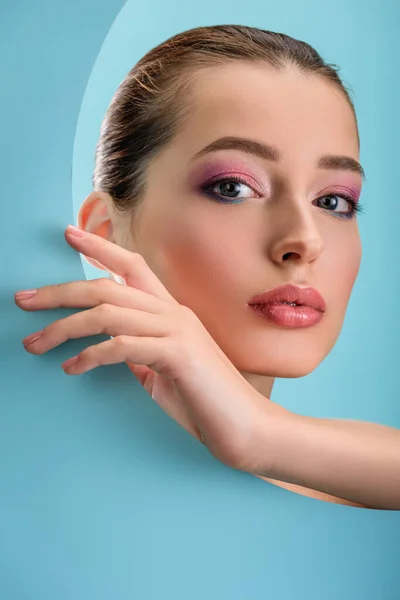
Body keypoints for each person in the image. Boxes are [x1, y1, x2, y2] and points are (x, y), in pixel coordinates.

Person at [14, 25, 400, 509]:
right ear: (103, 231)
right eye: (233, 188)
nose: (305, 239)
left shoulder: (356, 510)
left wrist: (261, 435)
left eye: (333, 200)